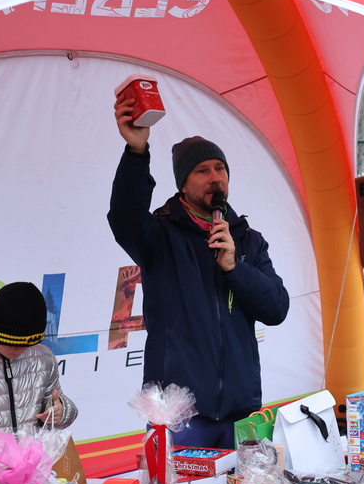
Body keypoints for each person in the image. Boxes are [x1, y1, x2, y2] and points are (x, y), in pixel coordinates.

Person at [109, 94, 290, 449]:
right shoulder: (161, 236)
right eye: (202, 171)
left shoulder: (248, 242)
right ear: (183, 183)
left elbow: (276, 309)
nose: (215, 178)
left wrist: (233, 267)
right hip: (180, 417)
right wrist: (136, 153)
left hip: (242, 415)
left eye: (220, 169)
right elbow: (125, 218)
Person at [0, 282, 77, 454]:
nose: (20, 350)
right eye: (12, 343)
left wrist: (61, 412)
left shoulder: (43, 357)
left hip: (32, 473)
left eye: (28, 344)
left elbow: (55, 402)